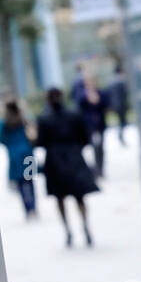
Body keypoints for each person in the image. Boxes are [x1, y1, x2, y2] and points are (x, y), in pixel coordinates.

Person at [36, 87, 99, 247]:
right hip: (74, 157)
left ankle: (68, 230)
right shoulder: (75, 115)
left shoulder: (44, 119)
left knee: (60, 198)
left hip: (55, 161)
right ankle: (85, 225)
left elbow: (40, 142)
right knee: (80, 196)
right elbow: (86, 137)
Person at [0, 100, 37, 219]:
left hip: (14, 154)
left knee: (20, 183)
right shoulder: (24, 119)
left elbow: (1, 139)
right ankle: (34, 207)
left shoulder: (3, 123)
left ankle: (27, 209)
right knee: (30, 181)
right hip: (28, 152)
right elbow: (33, 132)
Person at [76, 75, 109, 178]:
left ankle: (100, 168)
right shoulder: (82, 95)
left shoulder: (101, 93)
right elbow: (79, 107)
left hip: (99, 125)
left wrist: (98, 100)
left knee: (101, 148)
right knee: (94, 147)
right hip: (90, 126)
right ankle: (95, 169)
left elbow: (106, 105)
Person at [107, 69, 129, 146]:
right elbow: (124, 94)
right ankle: (121, 135)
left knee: (121, 121)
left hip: (115, 105)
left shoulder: (111, 83)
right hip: (121, 105)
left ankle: (120, 134)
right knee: (123, 122)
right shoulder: (120, 82)